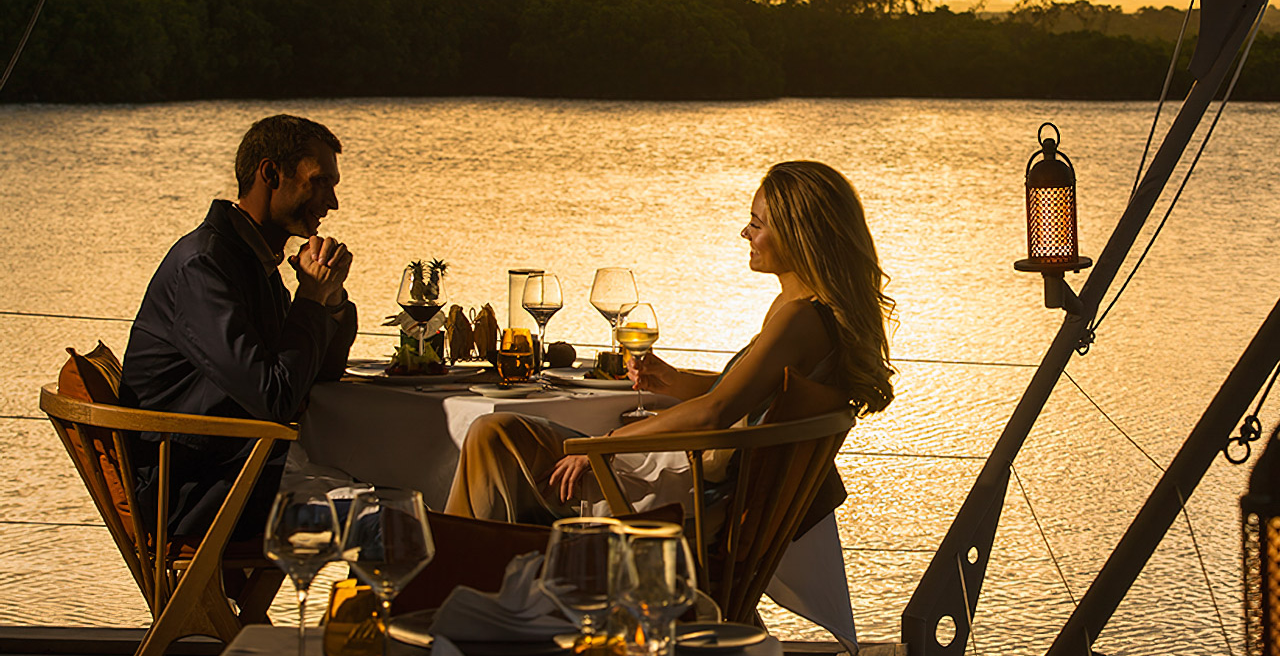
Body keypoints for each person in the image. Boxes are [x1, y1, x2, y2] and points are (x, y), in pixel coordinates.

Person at [446, 159, 895, 526]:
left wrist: (607, 442)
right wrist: (674, 380)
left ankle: (466, 576)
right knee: (501, 435)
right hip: (700, 474)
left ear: (798, 233)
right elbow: (746, 398)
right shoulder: (802, 309)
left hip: (688, 491)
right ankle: (492, 571)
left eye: (756, 225)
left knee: (493, 434)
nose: (746, 234)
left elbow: (716, 413)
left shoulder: (799, 318)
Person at [119, 114, 358, 541]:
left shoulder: (252, 259)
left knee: (393, 493)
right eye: (320, 182)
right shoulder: (206, 266)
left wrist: (331, 297)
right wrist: (309, 299)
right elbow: (276, 398)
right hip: (195, 498)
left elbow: (317, 374)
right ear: (271, 173)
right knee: (392, 520)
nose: (332, 202)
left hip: (241, 472)